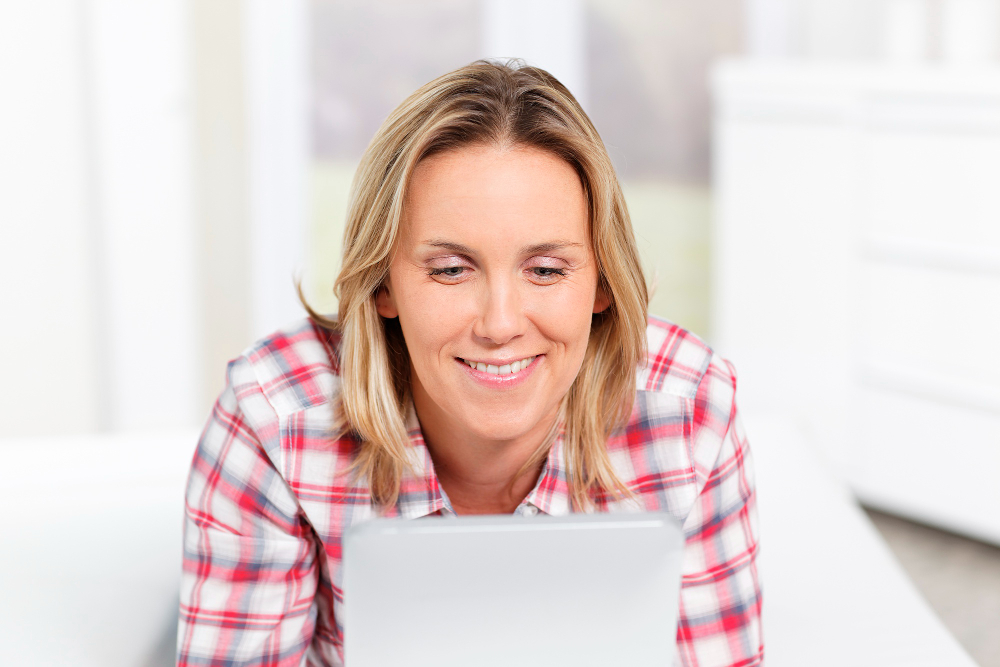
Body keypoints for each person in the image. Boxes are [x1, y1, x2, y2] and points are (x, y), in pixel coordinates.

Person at [177, 60, 762, 666]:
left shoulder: (691, 413)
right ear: (382, 285)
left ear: (601, 284)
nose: (500, 324)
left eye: (546, 270)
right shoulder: (273, 417)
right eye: (451, 270)